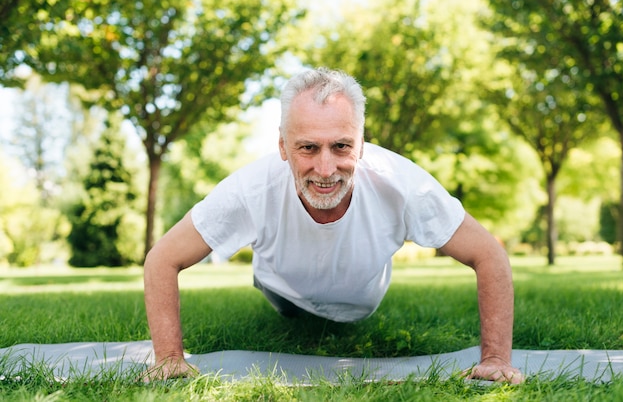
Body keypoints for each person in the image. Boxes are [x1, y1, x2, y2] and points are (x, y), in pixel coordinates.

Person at [142, 67, 524, 384]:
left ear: (360, 143)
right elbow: (162, 259)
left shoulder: (404, 184)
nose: (325, 170)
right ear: (282, 148)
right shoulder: (249, 189)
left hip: (361, 302)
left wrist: (495, 358)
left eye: (341, 147)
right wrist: (169, 357)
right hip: (281, 289)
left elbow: (488, 253)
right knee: (289, 313)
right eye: (308, 148)